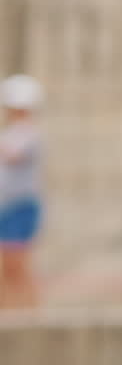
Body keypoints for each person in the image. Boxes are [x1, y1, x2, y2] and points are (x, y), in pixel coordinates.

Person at [0, 74, 44, 309]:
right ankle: (8, 311)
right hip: (8, 205)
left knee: (17, 264)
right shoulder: (12, 132)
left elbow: (13, 155)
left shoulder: (29, 133)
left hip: (20, 205)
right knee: (7, 267)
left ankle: (29, 312)